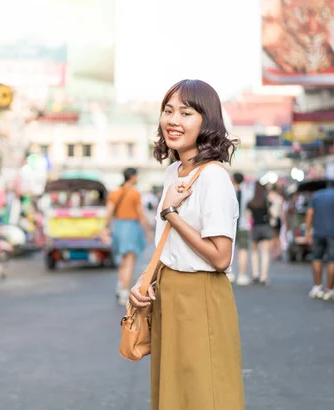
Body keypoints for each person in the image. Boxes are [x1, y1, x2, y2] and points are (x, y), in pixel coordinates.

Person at [129, 79, 244, 410]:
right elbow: (168, 244)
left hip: (201, 293)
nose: (173, 120)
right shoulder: (174, 173)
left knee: (205, 391)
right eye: (168, 111)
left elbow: (221, 257)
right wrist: (146, 278)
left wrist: (170, 213)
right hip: (169, 290)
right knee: (173, 391)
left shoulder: (214, 177)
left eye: (186, 112)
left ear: (206, 122)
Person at [104, 168, 153, 306]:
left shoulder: (114, 193)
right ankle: (125, 292)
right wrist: (148, 231)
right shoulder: (134, 193)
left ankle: (120, 287)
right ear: (132, 177)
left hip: (118, 227)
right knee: (130, 261)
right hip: (131, 227)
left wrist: (106, 229)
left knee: (123, 261)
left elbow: (109, 213)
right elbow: (141, 215)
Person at [247, 182, 272, 286]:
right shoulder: (267, 201)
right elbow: (273, 214)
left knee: (254, 252)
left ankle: (255, 275)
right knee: (265, 253)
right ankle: (264, 277)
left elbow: (248, 217)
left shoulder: (251, 203)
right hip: (265, 227)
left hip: (255, 227)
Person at [231, 172, 252, 286]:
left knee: (229, 250)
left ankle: (230, 273)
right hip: (244, 225)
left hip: (230, 225)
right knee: (243, 250)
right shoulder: (248, 192)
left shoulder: (228, 191)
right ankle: (242, 275)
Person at [268, 184, 284, 260]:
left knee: (271, 237)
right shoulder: (280, 198)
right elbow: (282, 210)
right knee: (277, 236)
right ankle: (279, 252)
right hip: (278, 218)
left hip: (271, 219)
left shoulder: (269, 197)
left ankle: (272, 253)